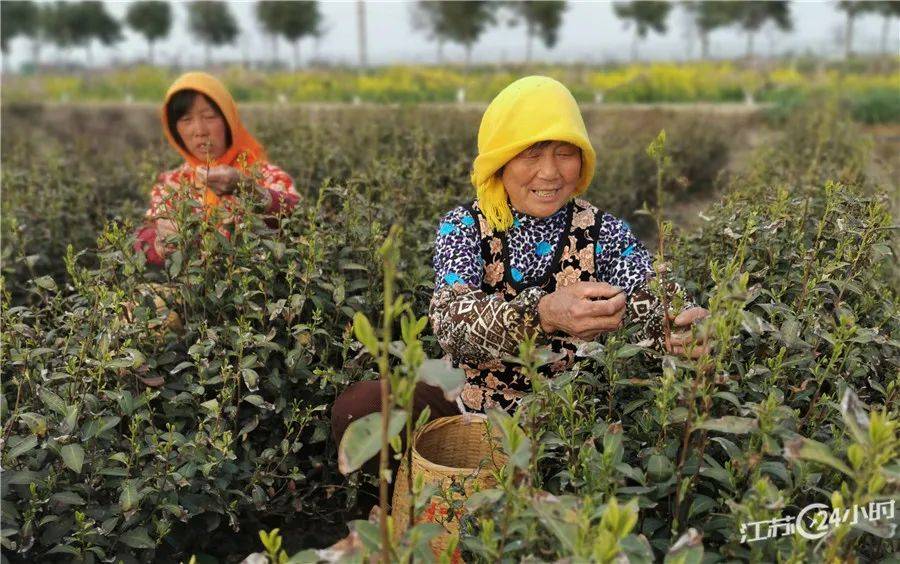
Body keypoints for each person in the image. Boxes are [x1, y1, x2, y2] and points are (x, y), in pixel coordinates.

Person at [331, 76, 709, 454]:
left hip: (567, 415)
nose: (549, 172)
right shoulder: (465, 226)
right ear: (500, 160)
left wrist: (683, 324)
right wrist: (542, 314)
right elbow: (449, 319)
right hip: (466, 400)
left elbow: (649, 289)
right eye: (531, 153)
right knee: (362, 410)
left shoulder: (602, 231)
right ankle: (396, 502)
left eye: (565, 152)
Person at [134, 72, 299, 266]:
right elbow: (142, 240)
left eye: (209, 116)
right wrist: (159, 242)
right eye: (186, 120)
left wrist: (248, 189)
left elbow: (296, 216)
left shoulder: (265, 175)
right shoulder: (173, 183)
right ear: (174, 130)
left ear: (229, 120)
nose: (200, 130)